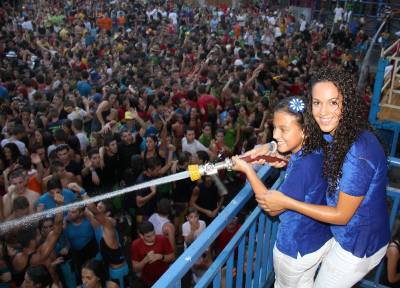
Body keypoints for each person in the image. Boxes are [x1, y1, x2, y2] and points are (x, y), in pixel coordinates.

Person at [251, 67, 390, 287]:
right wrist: (274, 155)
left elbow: (342, 215)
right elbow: (318, 158)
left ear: (347, 103)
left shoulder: (359, 152)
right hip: (346, 234)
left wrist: (287, 201)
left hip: (356, 243)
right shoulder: (337, 133)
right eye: (317, 103)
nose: (323, 111)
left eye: (333, 102)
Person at [232, 96, 332, 288]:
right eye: (275, 128)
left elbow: (271, 206)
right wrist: (271, 152)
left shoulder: (303, 166)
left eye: (283, 129)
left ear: (304, 131)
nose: (276, 135)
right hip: (317, 237)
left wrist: (247, 170)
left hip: (296, 246)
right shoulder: (316, 147)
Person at [131, 221, 174, 287]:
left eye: (154, 234)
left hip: (165, 278)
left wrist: (161, 257)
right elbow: (135, 269)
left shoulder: (163, 239)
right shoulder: (135, 245)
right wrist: (145, 260)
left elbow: (172, 257)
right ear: (141, 235)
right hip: (147, 281)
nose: (153, 237)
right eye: (148, 236)